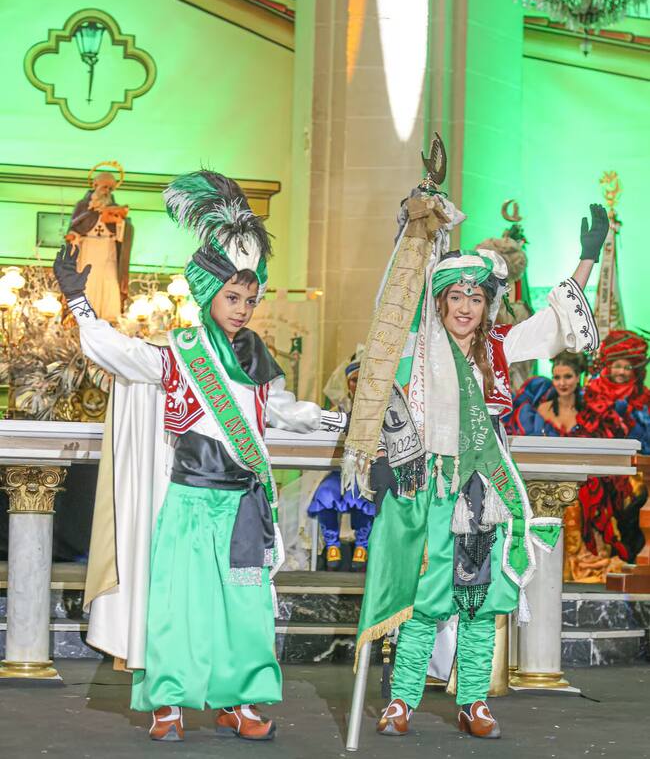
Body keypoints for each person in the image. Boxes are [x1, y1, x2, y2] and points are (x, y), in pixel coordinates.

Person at [53, 170, 346, 743]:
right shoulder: (179, 352)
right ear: (210, 294)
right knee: (180, 607)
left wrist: (346, 420)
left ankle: (238, 703)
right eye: (232, 297)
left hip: (242, 509)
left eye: (250, 298)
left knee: (246, 610)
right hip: (189, 503)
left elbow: (285, 412)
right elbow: (118, 353)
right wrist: (78, 302)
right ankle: (167, 704)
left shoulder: (256, 357)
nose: (242, 308)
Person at [345, 191, 607, 739]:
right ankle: (402, 702)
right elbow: (388, 306)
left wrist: (589, 255)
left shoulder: (499, 348)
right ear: (439, 302)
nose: (465, 307)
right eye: (455, 297)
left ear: (488, 305)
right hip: (430, 489)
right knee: (422, 599)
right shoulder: (417, 348)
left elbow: (554, 324)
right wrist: (416, 227)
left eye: (475, 298)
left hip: (483, 490)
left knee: (481, 601)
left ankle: (473, 702)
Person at [571, 330, 650, 580]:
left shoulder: (645, 399)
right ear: (608, 365)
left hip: (635, 473)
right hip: (596, 469)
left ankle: (630, 563)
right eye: (618, 365)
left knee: (633, 509)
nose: (622, 372)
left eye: (627, 367)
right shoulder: (589, 393)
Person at [307, 357, 375, 571]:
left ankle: (362, 546)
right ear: (347, 382)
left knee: (364, 493)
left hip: (365, 473)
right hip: (338, 471)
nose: (356, 384)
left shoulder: (376, 409)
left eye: (361, 379)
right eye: (353, 380)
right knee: (325, 493)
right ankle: (332, 545)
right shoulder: (338, 408)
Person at [65, 168, 133, 322]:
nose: (106, 191)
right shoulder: (83, 206)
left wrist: (120, 222)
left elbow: (124, 233)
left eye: (110, 188)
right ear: (95, 185)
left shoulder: (115, 207)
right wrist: (73, 237)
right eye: (104, 187)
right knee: (88, 282)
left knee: (109, 283)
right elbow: (75, 228)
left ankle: (108, 318)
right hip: (89, 249)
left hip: (108, 250)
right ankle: (85, 316)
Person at [505, 351, 587, 437]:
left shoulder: (588, 413)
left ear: (578, 377)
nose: (562, 383)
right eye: (557, 378)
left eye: (568, 376)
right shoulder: (542, 410)